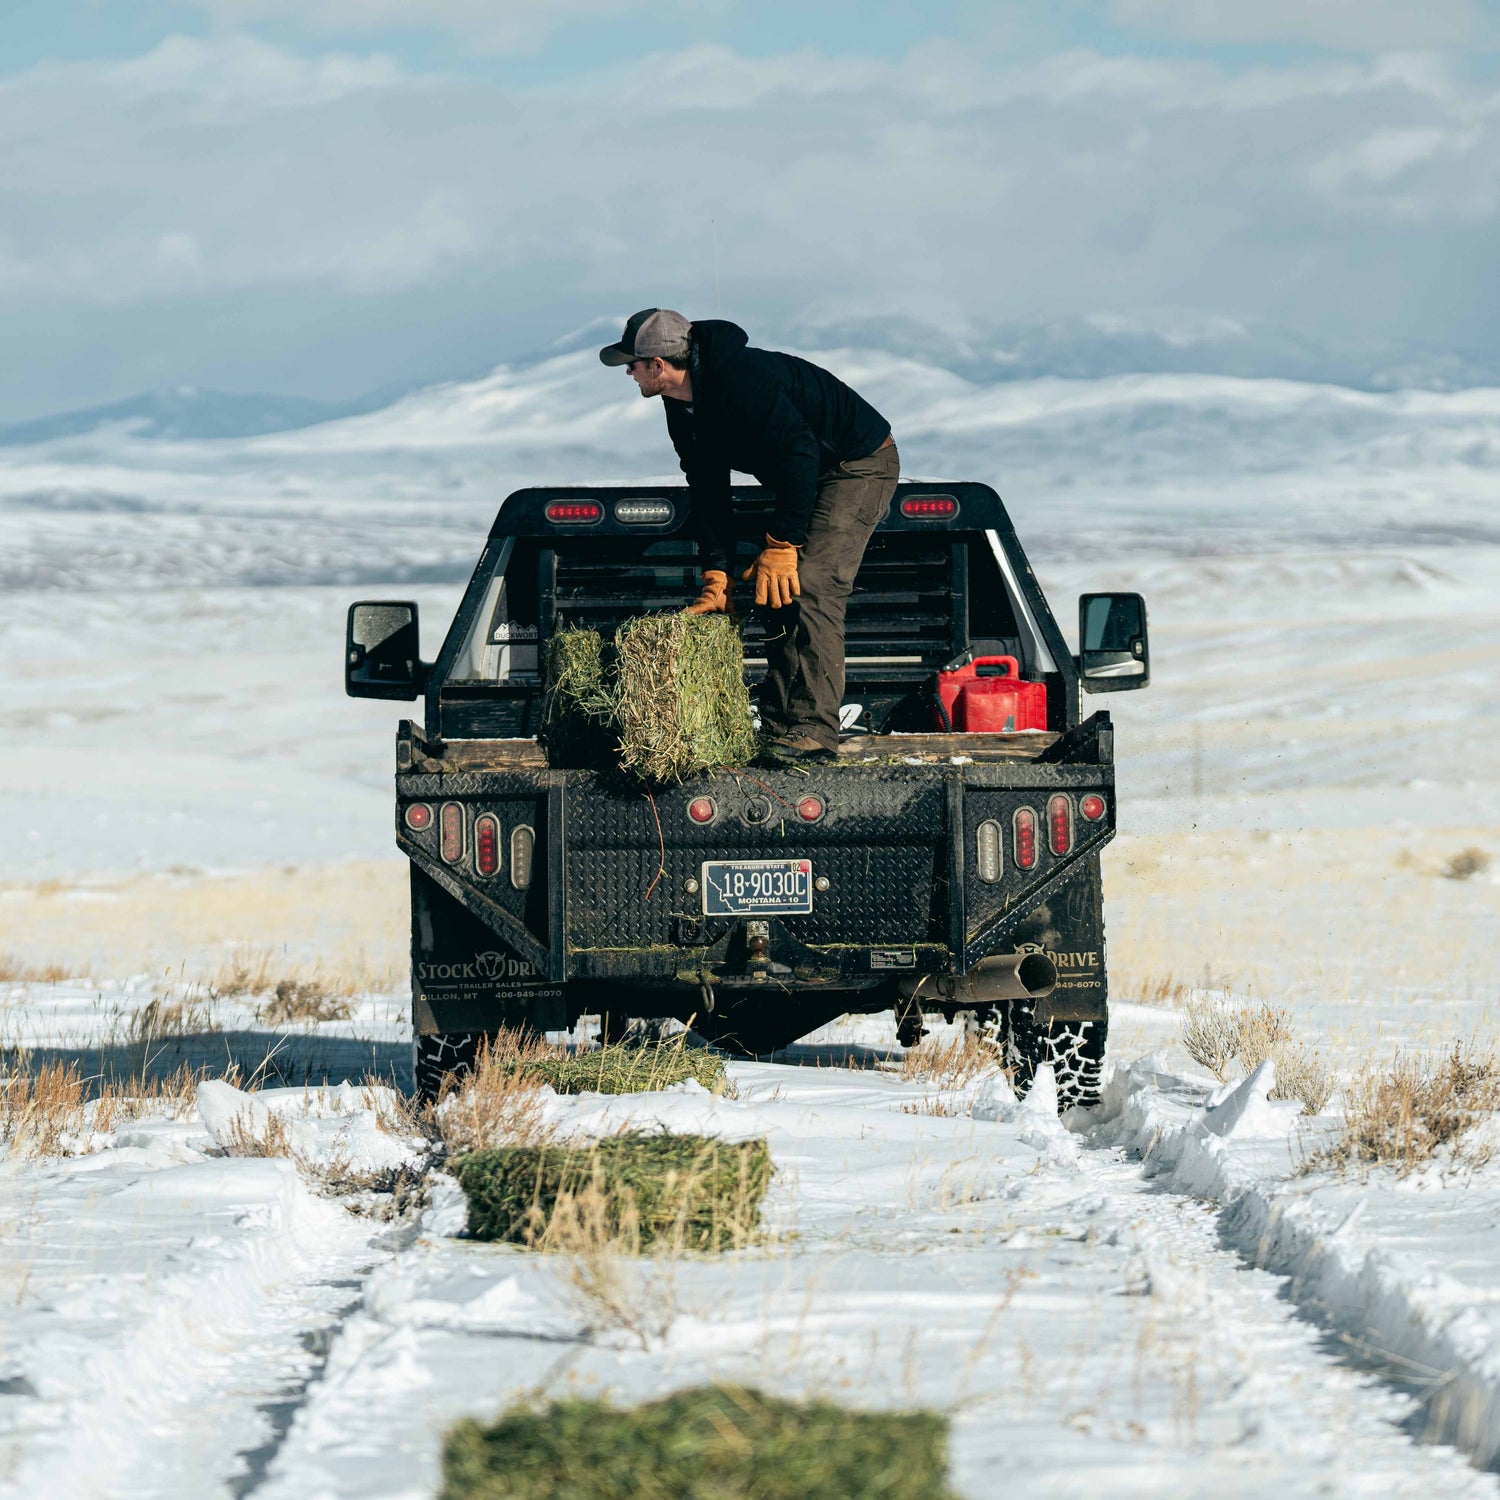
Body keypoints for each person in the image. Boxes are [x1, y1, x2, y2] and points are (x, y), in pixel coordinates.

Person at [600, 308, 899, 764]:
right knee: (772, 588)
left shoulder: (741, 379)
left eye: (633, 363)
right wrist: (717, 572)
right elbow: (706, 486)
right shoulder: (681, 405)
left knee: (813, 582)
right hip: (805, 474)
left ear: (658, 365)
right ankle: (780, 726)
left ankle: (816, 730)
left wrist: (781, 545)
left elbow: (799, 453)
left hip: (855, 464)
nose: (628, 371)